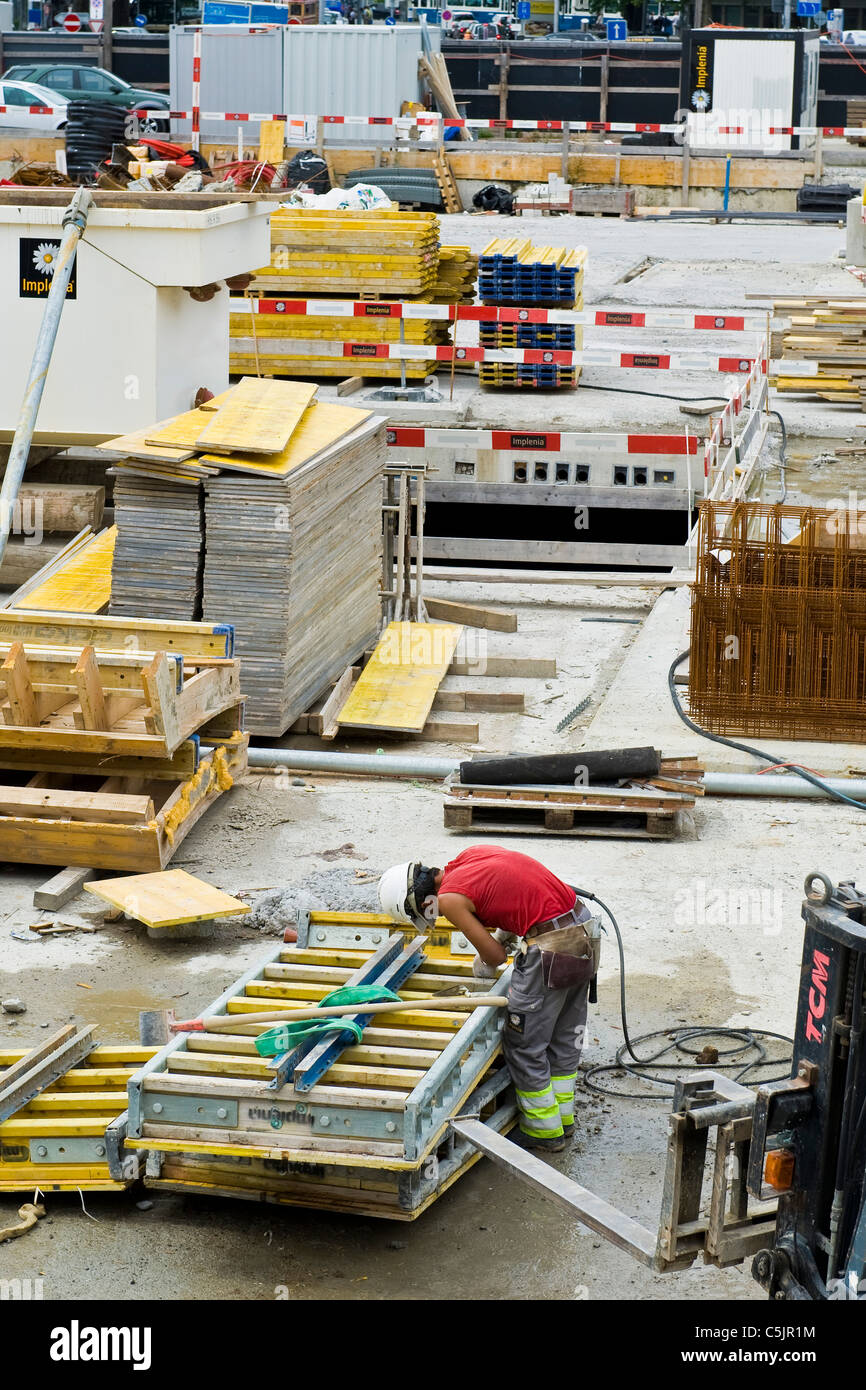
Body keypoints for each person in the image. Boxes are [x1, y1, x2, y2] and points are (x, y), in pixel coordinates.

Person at [378, 846, 599, 1154]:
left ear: (423, 902)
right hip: (585, 931)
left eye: (426, 913)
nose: (435, 914)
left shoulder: (451, 900)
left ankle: (543, 1132)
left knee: (524, 1044)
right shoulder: (470, 857)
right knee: (563, 1038)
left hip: (550, 949)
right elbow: (515, 893)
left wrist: (488, 956)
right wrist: (502, 935)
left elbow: (494, 957)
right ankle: (564, 1120)